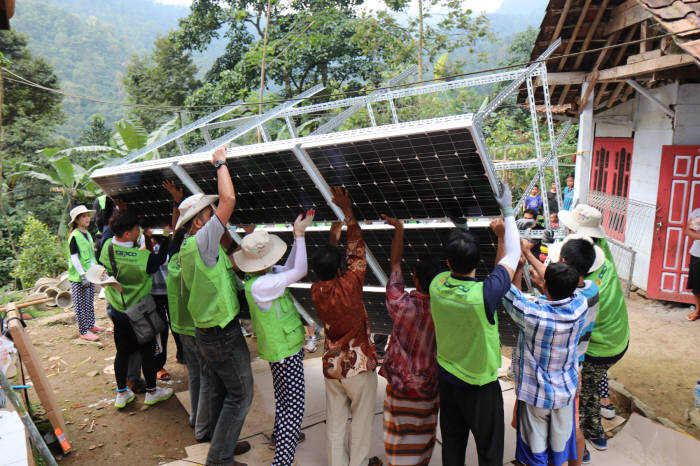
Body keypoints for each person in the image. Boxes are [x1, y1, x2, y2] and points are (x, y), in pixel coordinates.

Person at [429, 181, 520, 466]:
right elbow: (512, 258)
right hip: (481, 387)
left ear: (447, 262)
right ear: (478, 263)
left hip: (448, 381)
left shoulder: (437, 284)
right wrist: (507, 211)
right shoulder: (484, 295)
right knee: (490, 453)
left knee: (453, 447)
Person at [176, 145, 253, 466]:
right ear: (198, 224)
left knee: (223, 392)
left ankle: (223, 445)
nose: (216, 219)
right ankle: (219, 459)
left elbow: (228, 266)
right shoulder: (202, 241)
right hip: (221, 334)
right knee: (241, 395)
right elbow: (229, 200)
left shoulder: (193, 247)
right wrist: (220, 162)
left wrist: (254, 246)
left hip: (209, 333)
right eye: (209, 217)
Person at [310, 187, 381, 466]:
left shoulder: (317, 290)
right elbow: (357, 253)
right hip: (359, 367)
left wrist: (332, 240)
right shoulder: (351, 285)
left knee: (336, 423)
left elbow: (333, 268)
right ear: (340, 268)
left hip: (332, 367)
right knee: (360, 422)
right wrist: (348, 212)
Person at [236, 211, 314, 466]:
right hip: (285, 353)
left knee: (284, 402)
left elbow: (290, 267)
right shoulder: (262, 285)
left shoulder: (259, 278)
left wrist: (296, 237)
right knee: (294, 410)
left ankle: (280, 437)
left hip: (280, 351)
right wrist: (300, 236)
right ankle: (282, 462)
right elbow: (300, 270)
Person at [503, 256, 588, 466]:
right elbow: (560, 294)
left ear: (545, 285)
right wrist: (545, 285)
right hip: (565, 394)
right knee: (558, 449)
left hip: (536, 396)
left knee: (535, 450)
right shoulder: (580, 306)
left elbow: (512, 296)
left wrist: (520, 268)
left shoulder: (532, 315)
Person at [558, 204, 629, 452]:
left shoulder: (582, 290)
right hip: (619, 338)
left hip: (601, 348)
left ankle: (591, 440)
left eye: (571, 229)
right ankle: (599, 414)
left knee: (583, 394)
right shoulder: (601, 253)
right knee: (594, 382)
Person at [527, 235, 604, 465]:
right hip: (577, 364)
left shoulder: (572, 299)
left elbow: (554, 299)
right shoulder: (591, 291)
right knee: (570, 423)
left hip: (562, 367)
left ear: (562, 260)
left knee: (567, 426)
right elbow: (559, 287)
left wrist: (529, 259)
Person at [379, 214, 440, 466]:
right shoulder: (448, 310)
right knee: (424, 437)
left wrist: (399, 229)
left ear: (415, 278)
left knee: (396, 437)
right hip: (429, 388)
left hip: (399, 387)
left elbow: (395, 265)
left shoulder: (399, 304)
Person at [99, 209, 173, 409]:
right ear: (126, 234)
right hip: (140, 312)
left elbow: (108, 235)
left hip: (117, 310)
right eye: (136, 229)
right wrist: (165, 237)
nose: (138, 231)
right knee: (147, 352)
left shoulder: (106, 246)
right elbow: (159, 260)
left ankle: (122, 393)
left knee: (122, 352)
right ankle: (152, 391)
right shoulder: (141, 259)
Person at [67, 205, 105, 341]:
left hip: (89, 274)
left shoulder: (87, 234)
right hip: (79, 277)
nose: (87, 218)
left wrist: (96, 270)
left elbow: (90, 256)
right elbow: (74, 257)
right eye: (83, 216)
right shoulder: (74, 236)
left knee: (89, 301)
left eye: (87, 215)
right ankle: (83, 331)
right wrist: (82, 274)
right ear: (76, 220)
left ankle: (90, 325)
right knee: (80, 304)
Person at [685, 207, 700, 321]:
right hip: (698, 254)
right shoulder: (698, 213)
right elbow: (689, 231)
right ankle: (698, 311)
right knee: (696, 286)